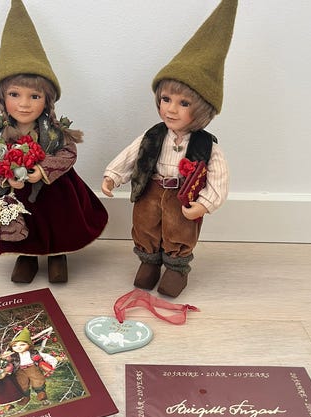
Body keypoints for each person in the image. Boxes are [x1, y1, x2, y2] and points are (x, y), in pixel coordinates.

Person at [102, 0, 237, 298]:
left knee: (179, 230)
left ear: (203, 109)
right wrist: (113, 175)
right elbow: (132, 154)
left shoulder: (206, 145)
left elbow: (219, 177)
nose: (171, 109)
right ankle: (149, 261)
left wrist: (205, 203)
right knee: (145, 225)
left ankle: (176, 268)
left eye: (183, 103)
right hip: (150, 189)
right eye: (166, 99)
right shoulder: (153, 135)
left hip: (182, 196)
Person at [0, 0, 108, 283]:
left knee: (58, 222)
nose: (24, 104)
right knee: (26, 223)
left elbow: (68, 153)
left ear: (46, 100)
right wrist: (3, 175)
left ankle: (58, 255)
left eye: (34, 96)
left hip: (53, 191)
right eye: (15, 95)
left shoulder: (54, 132)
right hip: (15, 192)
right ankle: (26, 256)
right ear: (2, 97)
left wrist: (44, 169)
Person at [1, 328, 57, 405]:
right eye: (15, 346)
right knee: (21, 383)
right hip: (19, 370)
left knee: (37, 380)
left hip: (32, 368)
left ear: (29, 345)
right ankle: (25, 396)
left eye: (22, 345)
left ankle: (41, 393)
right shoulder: (13, 356)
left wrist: (52, 365)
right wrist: (5, 358)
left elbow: (47, 357)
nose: (18, 347)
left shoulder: (34, 353)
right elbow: (7, 362)